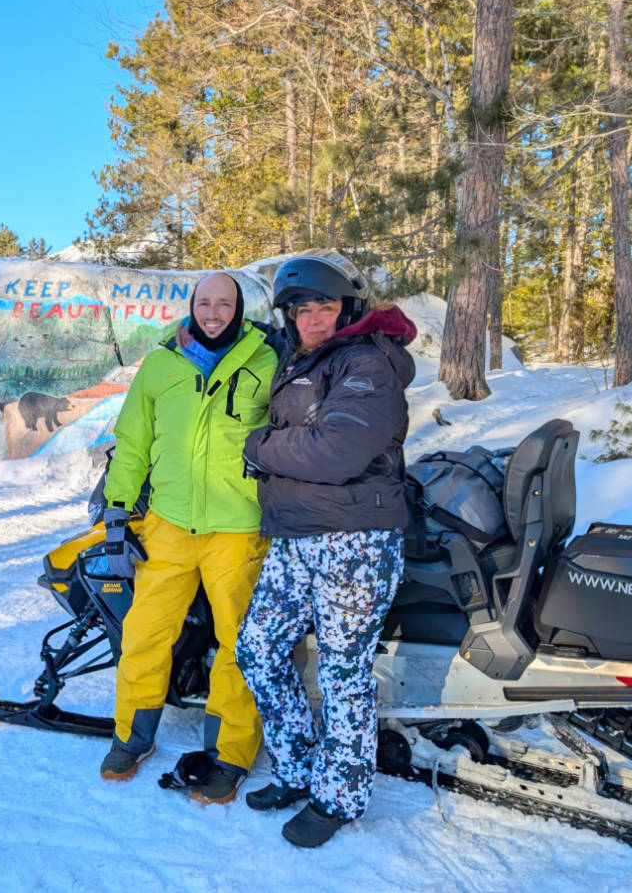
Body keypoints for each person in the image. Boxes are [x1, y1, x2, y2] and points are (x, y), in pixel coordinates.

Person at [235, 253, 417, 847]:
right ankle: (296, 765)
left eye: (325, 306)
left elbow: (335, 452)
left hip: (354, 543)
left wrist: (259, 445)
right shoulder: (306, 359)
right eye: (302, 309)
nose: (314, 318)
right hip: (296, 537)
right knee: (258, 649)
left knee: (342, 671)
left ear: (349, 308)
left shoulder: (368, 362)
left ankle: (341, 795)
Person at [98, 270, 279, 804]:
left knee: (238, 643)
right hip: (169, 524)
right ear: (191, 306)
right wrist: (116, 512)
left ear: (240, 309)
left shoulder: (267, 362)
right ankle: (132, 736)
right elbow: (132, 442)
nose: (214, 312)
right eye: (205, 302)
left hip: (238, 528)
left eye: (225, 303)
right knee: (145, 634)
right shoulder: (160, 365)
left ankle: (229, 751)